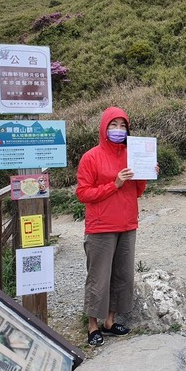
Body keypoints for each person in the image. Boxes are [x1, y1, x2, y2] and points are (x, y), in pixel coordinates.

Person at [76, 106, 158, 347]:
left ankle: (110, 322)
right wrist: (114, 184)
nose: (118, 130)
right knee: (98, 277)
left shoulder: (131, 153)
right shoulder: (91, 157)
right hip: (101, 226)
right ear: (104, 127)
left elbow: (137, 191)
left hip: (127, 223)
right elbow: (83, 193)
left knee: (122, 275)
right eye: (113, 125)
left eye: (123, 126)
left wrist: (146, 174)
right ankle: (92, 326)